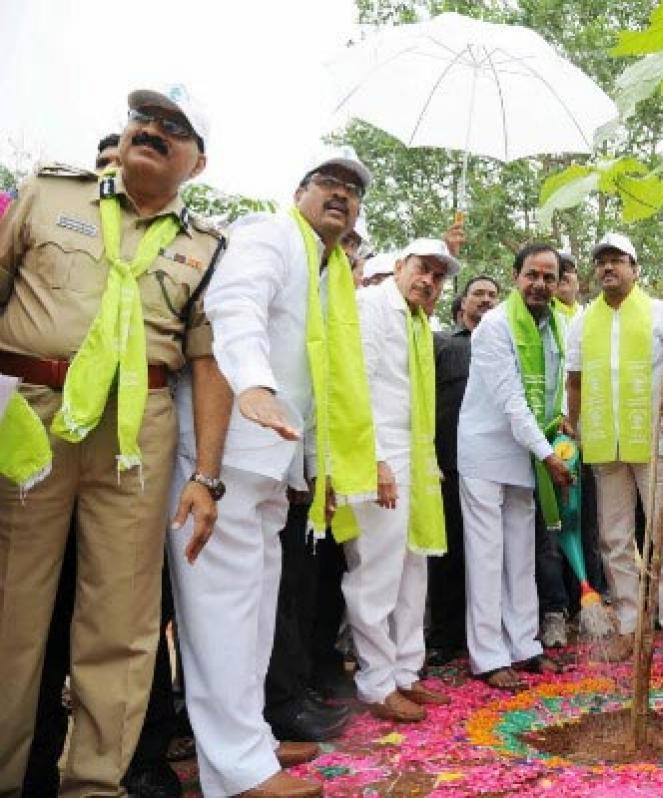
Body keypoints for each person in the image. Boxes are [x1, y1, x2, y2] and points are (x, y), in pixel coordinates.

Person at [0, 84, 227, 796]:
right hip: (30, 412)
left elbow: (207, 362)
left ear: (198, 161)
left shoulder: (208, 246)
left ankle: (94, 782)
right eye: (143, 119)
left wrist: (208, 476)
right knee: (13, 605)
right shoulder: (46, 194)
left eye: (174, 127)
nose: (152, 131)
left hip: (137, 432)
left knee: (122, 619)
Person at [169, 146, 376, 798]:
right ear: (299, 192)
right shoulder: (267, 237)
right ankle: (236, 771)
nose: (339, 194)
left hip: (273, 467)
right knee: (222, 618)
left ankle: (248, 739)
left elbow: (317, 382)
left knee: (255, 615)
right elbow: (235, 306)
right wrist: (253, 385)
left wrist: (316, 467)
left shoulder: (326, 275)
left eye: (352, 189)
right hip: (224, 454)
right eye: (327, 182)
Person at [565, 232, 663, 664]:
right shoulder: (584, 320)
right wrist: (576, 431)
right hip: (604, 441)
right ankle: (629, 625)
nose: (607, 268)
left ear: (634, 268)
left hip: (653, 438)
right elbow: (576, 380)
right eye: (601, 261)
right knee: (614, 537)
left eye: (617, 260)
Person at [342, 241, 456, 721]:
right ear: (399, 266)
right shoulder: (371, 306)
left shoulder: (417, 322)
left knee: (414, 570)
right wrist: (375, 460)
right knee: (376, 573)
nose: (428, 280)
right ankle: (375, 683)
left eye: (437, 275)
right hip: (379, 456)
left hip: (414, 458)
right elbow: (355, 384)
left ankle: (407, 673)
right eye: (421, 269)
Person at [459, 243, 572, 689]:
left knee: (522, 556)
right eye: (532, 275)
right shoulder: (495, 326)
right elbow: (512, 400)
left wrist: (559, 436)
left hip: (528, 454)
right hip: (487, 452)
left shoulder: (560, 326)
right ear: (515, 276)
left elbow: (557, 389)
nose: (540, 284)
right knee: (487, 557)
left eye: (549, 276)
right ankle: (489, 656)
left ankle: (525, 646)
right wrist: (548, 455)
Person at [427, 274, 499, 667]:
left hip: (493, 465)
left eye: (492, 295)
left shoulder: (506, 344)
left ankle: (491, 635)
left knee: (491, 556)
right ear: (463, 303)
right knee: (449, 554)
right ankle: (445, 637)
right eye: (478, 294)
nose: (486, 300)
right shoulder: (443, 344)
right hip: (450, 465)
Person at [553, 252, 582, 319]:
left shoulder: (588, 314)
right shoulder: (540, 315)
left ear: (578, 283)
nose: (563, 274)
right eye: (558, 271)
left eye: (568, 269)